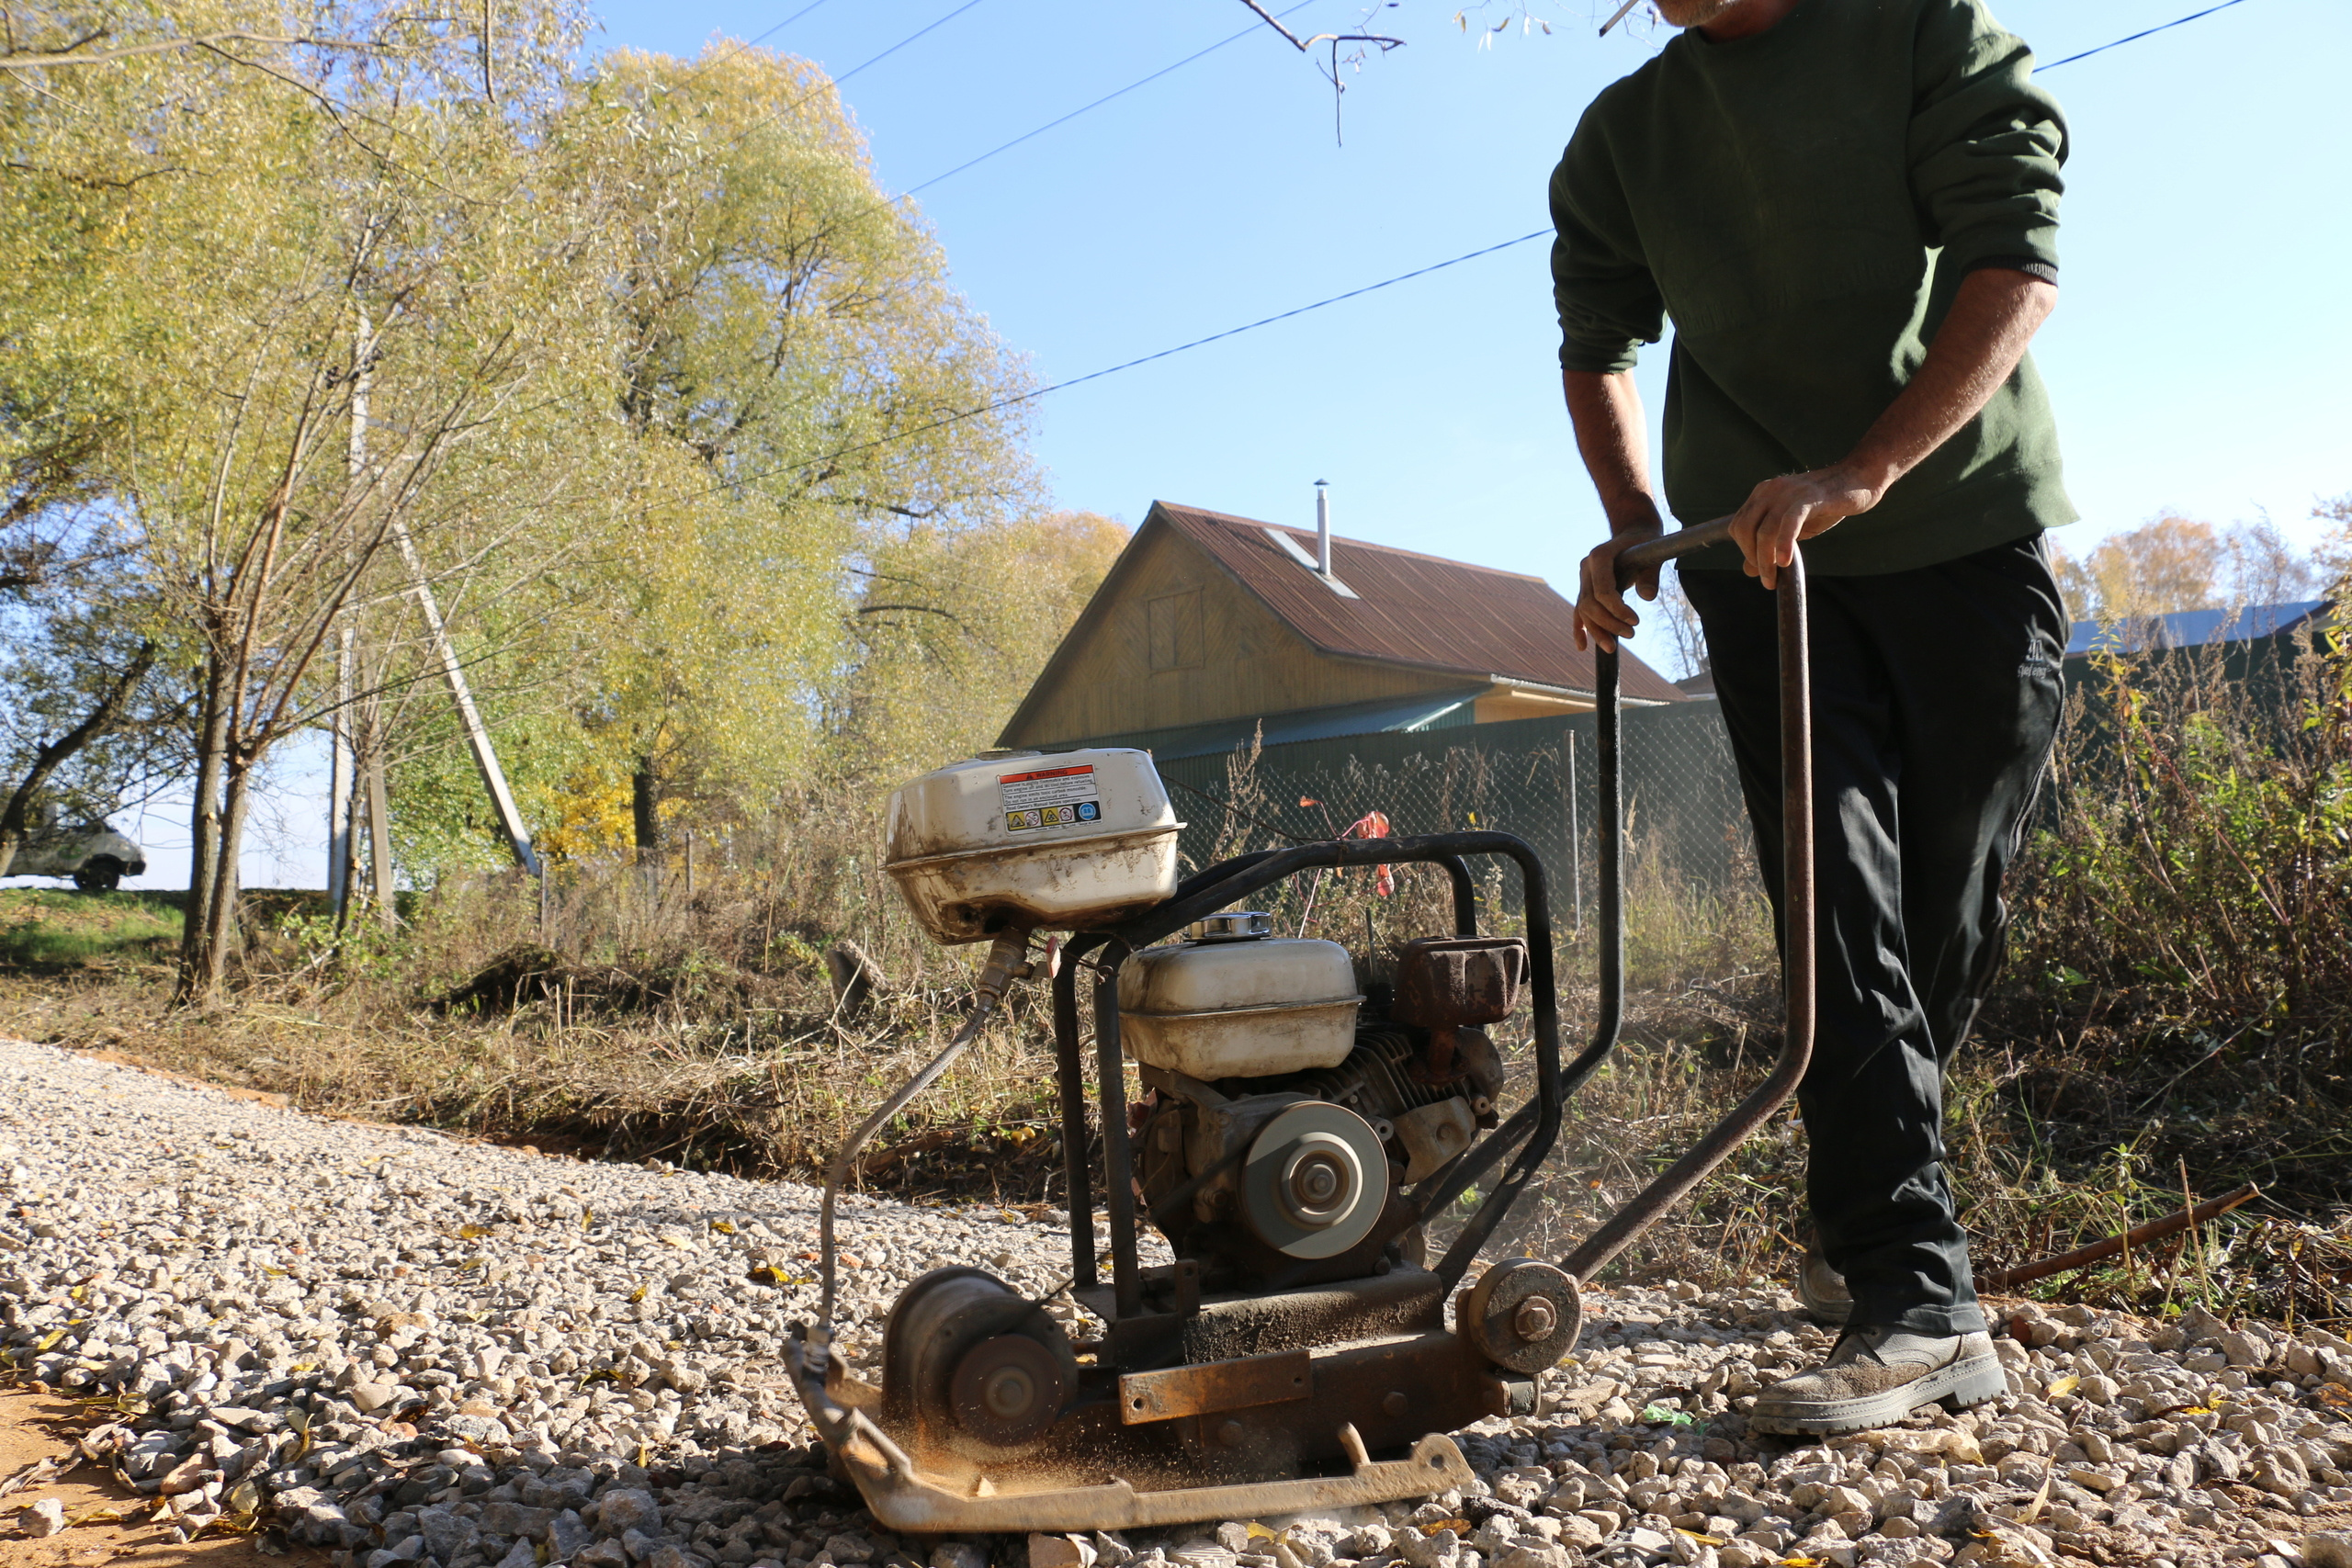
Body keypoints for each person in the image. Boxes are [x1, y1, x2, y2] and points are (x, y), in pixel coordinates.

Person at [1551, 0, 2073, 1435]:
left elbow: (2014, 261)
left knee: (1943, 911)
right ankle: (1916, 1293)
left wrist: (1869, 465)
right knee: (1835, 901)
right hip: (1760, 567)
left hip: (1959, 531)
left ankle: (1861, 1202)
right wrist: (1636, 526)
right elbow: (1596, 331)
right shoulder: (1625, 134)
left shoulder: (1920, 31)